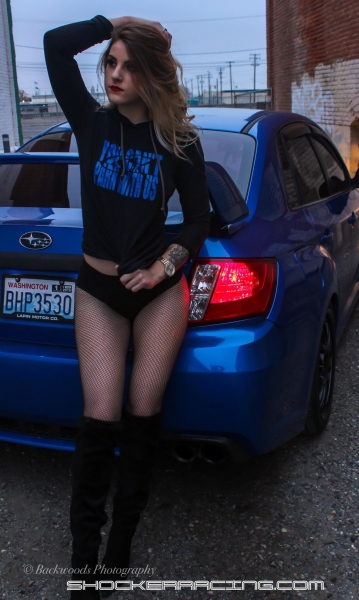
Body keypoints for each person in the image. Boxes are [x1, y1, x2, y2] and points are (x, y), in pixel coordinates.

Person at [44, 15, 210, 599]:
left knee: (142, 415)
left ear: (152, 74)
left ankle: (119, 551)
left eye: (129, 66)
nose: (115, 75)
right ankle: (83, 566)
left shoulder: (178, 141)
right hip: (98, 291)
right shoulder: (91, 122)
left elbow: (197, 219)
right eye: (110, 63)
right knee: (99, 419)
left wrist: (166, 266)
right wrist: (119, 24)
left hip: (158, 294)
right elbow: (55, 46)